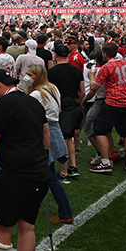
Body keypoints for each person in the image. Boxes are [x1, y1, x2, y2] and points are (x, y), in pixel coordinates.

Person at [0, 69, 50, 251]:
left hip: (15, 176)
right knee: (27, 226)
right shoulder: (33, 101)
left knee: (3, 228)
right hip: (39, 172)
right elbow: (47, 139)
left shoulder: (1, 103)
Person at [24, 64, 74, 224]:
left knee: (49, 176)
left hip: (43, 131)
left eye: (30, 74)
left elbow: (27, 113)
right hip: (54, 128)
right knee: (46, 174)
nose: (26, 77)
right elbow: (58, 110)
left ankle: (65, 213)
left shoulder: (37, 94)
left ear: (37, 76)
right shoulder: (52, 88)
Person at [83, 42, 126, 173]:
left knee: (99, 130)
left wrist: (92, 77)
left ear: (105, 54)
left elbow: (94, 88)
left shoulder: (107, 67)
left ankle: (105, 162)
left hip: (113, 102)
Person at [48, 44, 85, 181]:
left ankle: (64, 172)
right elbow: (82, 91)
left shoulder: (52, 72)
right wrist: (80, 103)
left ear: (55, 55)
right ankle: (73, 167)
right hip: (75, 104)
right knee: (69, 137)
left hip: (61, 105)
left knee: (62, 137)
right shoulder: (76, 70)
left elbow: (50, 91)